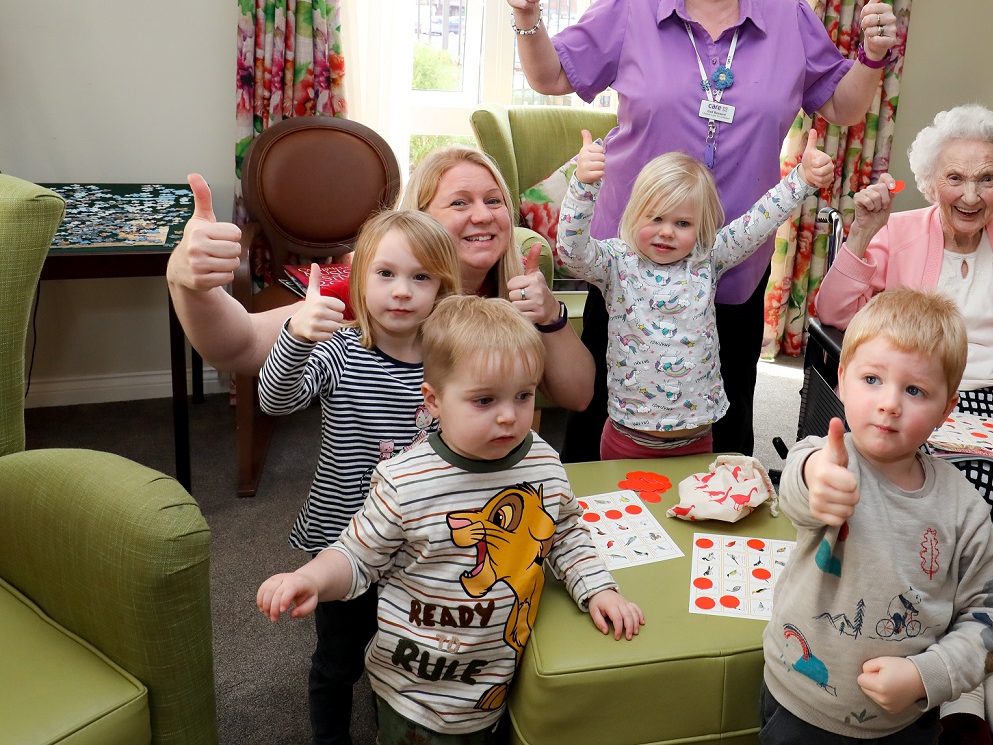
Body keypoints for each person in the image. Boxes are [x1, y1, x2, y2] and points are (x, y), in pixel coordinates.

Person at [507, 0, 899, 460]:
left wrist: (871, 56)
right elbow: (550, 74)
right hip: (635, 258)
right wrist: (528, 19)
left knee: (726, 409)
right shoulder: (632, 9)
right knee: (610, 409)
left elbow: (843, 106)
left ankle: (714, 537)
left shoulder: (788, 19)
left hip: (731, 257)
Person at [814, 104, 993, 745]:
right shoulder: (899, 232)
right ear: (928, 181)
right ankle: (962, 699)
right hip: (919, 400)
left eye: (987, 179)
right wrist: (861, 238)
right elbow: (833, 312)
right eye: (955, 178)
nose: (971, 194)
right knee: (956, 488)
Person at [256, 295, 644, 745]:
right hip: (415, 693)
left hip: (500, 680)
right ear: (434, 401)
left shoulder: (541, 459)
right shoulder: (404, 480)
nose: (508, 416)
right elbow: (355, 557)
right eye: (484, 400)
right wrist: (311, 578)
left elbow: (566, 532)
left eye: (523, 395)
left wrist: (597, 587)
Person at [762, 287, 993, 744]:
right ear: (841, 379)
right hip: (798, 704)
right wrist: (817, 480)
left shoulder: (964, 509)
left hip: (904, 722)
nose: (889, 403)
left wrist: (928, 676)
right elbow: (800, 482)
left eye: (915, 390)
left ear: (946, 408)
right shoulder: (828, 460)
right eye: (872, 379)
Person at [165, 145, 594, 410]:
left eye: (493, 200)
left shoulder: (517, 285)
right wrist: (185, 281)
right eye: (460, 203)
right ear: (419, 219)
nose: (482, 215)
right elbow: (238, 346)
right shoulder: (380, 289)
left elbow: (578, 398)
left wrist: (551, 316)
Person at [256, 210, 462, 744]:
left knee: (403, 650)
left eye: (421, 277)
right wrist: (295, 335)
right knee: (337, 661)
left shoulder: (449, 362)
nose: (402, 292)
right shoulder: (339, 352)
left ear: (443, 287)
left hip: (419, 546)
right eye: (386, 274)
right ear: (361, 277)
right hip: (340, 542)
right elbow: (274, 400)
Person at [557, 130, 834, 459]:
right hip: (628, 438)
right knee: (632, 511)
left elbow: (757, 222)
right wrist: (584, 186)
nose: (666, 231)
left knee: (690, 509)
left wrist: (801, 179)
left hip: (698, 439)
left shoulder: (706, 259)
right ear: (635, 213)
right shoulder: (616, 262)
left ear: (700, 227)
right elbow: (571, 252)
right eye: (656, 217)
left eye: (683, 223)